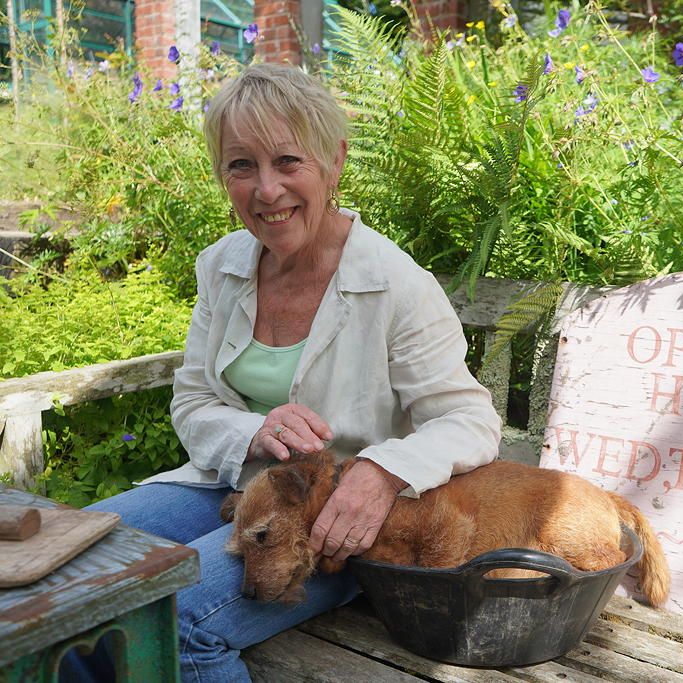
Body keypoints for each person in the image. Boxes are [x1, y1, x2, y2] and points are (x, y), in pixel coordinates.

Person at [61, 62, 502, 682]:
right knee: (67, 571)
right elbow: (192, 401)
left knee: (172, 617)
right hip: (229, 487)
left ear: (334, 161)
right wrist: (252, 431)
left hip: (336, 522)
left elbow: (469, 420)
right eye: (242, 166)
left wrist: (380, 471)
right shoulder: (222, 266)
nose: (267, 190)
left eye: (288, 162)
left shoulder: (396, 284)